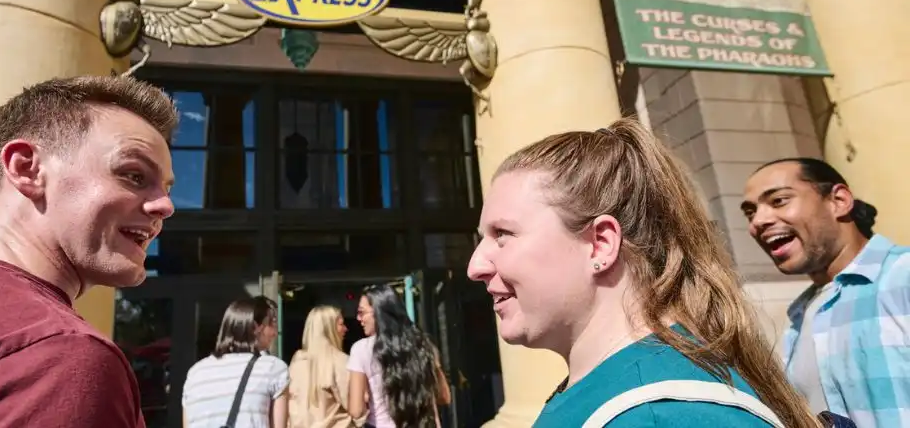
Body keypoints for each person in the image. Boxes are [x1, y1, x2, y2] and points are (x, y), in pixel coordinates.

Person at [469, 118, 821, 427]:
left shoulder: (662, 415)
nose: (475, 267)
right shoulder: (614, 390)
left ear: (600, 244)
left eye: (503, 235)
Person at [0, 76, 177, 427]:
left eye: (166, 188)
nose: (166, 206)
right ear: (27, 169)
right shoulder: (60, 357)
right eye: (133, 175)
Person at [743, 157, 909, 427]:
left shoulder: (902, 275)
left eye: (779, 200)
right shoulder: (799, 316)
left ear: (839, 201)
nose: (758, 221)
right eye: (750, 212)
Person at [348, 285, 451, 428]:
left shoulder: (360, 350)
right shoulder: (424, 345)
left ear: (378, 313)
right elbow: (444, 397)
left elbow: (356, 410)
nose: (358, 318)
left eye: (362, 312)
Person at [183, 296, 289, 428]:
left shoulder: (195, 373)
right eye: (272, 323)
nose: (275, 332)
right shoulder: (273, 368)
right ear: (256, 327)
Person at [288, 305, 363, 428]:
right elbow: (356, 408)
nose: (346, 329)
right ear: (328, 328)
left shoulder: (297, 362)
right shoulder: (341, 361)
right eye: (341, 324)